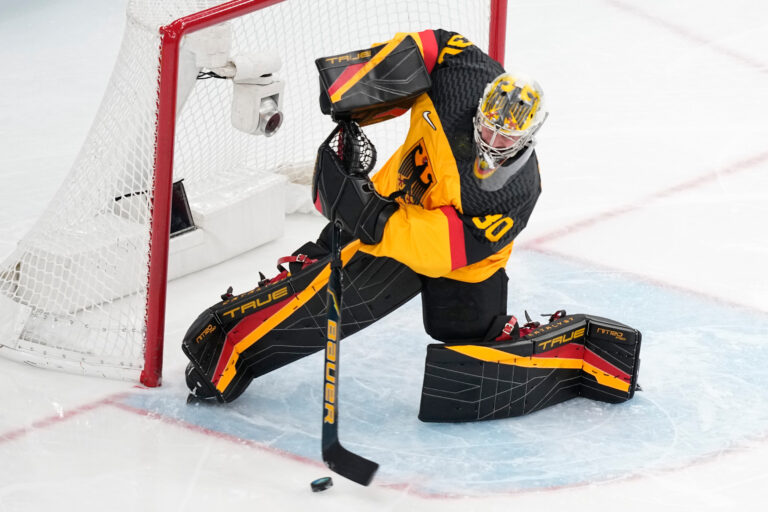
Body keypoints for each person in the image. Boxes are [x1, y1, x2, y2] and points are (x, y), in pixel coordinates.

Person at [182, 30, 641, 420]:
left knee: (465, 343)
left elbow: (444, 250)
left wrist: (371, 218)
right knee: (321, 279)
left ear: (529, 136)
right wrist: (358, 91)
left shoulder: (515, 191)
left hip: (460, 261)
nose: (492, 140)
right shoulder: (465, 78)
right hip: (393, 200)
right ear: (481, 106)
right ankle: (230, 349)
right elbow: (435, 44)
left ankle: (575, 354)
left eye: (506, 137)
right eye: (487, 127)